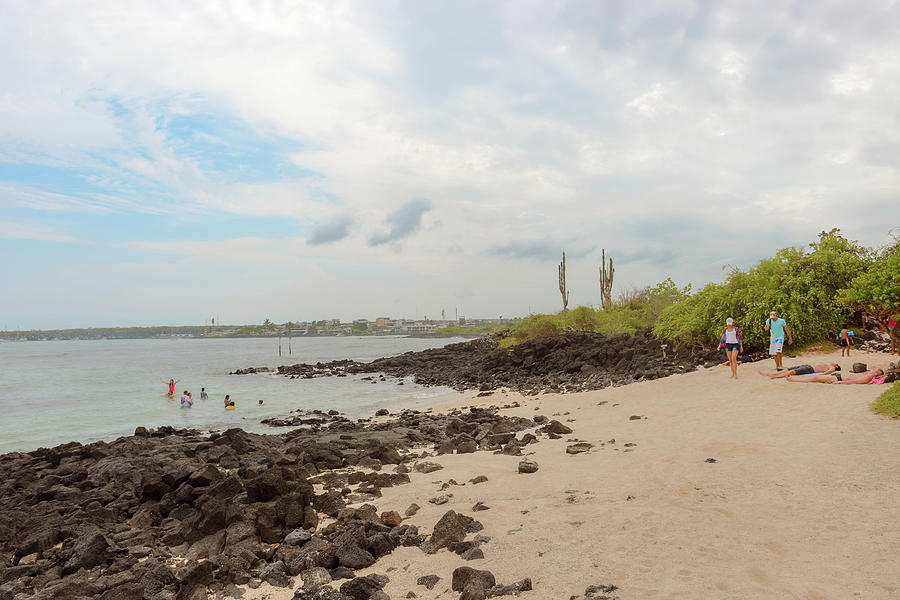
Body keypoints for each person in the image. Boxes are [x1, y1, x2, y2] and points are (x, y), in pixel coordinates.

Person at [786, 368, 884, 384]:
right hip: (837, 376)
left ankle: (794, 380)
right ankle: (795, 379)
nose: (873, 370)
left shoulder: (868, 377)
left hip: (837, 378)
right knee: (815, 377)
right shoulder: (868, 375)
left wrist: (840, 382)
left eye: (875, 371)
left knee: (815, 378)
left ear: (876, 374)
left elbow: (856, 382)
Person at [759, 363, 840, 379]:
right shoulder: (829, 364)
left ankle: (774, 376)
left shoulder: (832, 367)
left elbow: (829, 372)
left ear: (836, 366)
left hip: (810, 369)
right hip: (807, 366)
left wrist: (821, 375)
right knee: (787, 369)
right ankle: (772, 374)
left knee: (791, 372)